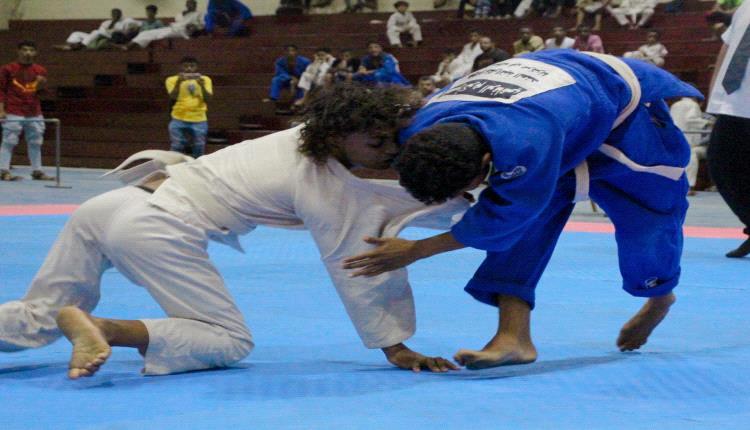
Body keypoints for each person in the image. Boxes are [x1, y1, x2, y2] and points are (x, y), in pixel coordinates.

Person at [0, 84, 465, 379]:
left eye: (393, 140)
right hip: (155, 225)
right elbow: (352, 261)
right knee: (228, 340)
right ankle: (103, 328)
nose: (389, 151)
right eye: (377, 142)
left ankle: (65, 321)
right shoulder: (321, 186)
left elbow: (377, 198)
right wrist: (395, 348)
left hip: (106, 207)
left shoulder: (297, 139)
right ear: (335, 137)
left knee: (43, 314)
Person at [343, 50, 702, 369]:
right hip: (551, 101)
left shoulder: (525, 142)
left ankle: (659, 296)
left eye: (471, 184)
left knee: (649, 222)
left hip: (621, 113)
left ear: (487, 159)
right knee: (530, 214)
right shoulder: (418, 131)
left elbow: (500, 220)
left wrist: (417, 249)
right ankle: (514, 337)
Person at [706, 0, 750, 258]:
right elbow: (727, 47)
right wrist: (715, 95)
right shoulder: (745, 7)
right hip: (734, 101)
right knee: (721, 165)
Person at [0, 41, 54, 181]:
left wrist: (41, 84)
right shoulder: (8, 69)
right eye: (24, 50)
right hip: (13, 109)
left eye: (31, 50)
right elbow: (1, 90)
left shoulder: (40, 70)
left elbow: (41, 92)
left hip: (34, 111)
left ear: (35, 52)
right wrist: (1, 110)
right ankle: (3, 170)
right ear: (18, 51)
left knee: (36, 141)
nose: (28, 53)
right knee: (9, 140)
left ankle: (37, 171)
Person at [166, 57, 212, 158]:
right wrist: (178, 83)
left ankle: (196, 165)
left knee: (199, 146)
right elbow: (173, 96)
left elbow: (208, 98)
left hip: (199, 118)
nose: (189, 69)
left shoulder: (205, 79)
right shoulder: (171, 80)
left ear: (197, 67)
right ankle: (174, 165)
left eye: (192, 66)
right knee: (177, 145)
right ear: (180, 67)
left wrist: (202, 86)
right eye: (185, 66)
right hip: (178, 117)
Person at [670, 96, 712, 195]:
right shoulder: (693, 105)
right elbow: (691, 119)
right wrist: (708, 123)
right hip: (688, 142)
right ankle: (688, 186)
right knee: (691, 155)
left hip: (676, 140)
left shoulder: (675, 105)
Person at [125, 0, 205, 50]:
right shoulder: (181, 14)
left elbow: (202, 25)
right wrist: (184, 14)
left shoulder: (199, 14)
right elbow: (178, 21)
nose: (190, 5)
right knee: (147, 33)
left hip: (184, 31)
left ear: (195, 5)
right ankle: (132, 46)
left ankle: (130, 46)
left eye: (192, 4)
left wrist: (194, 26)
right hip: (173, 28)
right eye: (188, 4)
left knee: (153, 34)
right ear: (186, 5)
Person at [55, 8, 141, 50]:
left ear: (120, 14)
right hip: (97, 36)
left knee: (96, 32)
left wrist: (133, 29)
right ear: (111, 15)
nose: (115, 15)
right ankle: (69, 45)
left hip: (111, 36)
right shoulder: (106, 22)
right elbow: (101, 31)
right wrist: (113, 22)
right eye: (113, 14)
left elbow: (140, 24)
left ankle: (82, 45)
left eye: (117, 14)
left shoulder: (127, 21)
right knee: (76, 33)